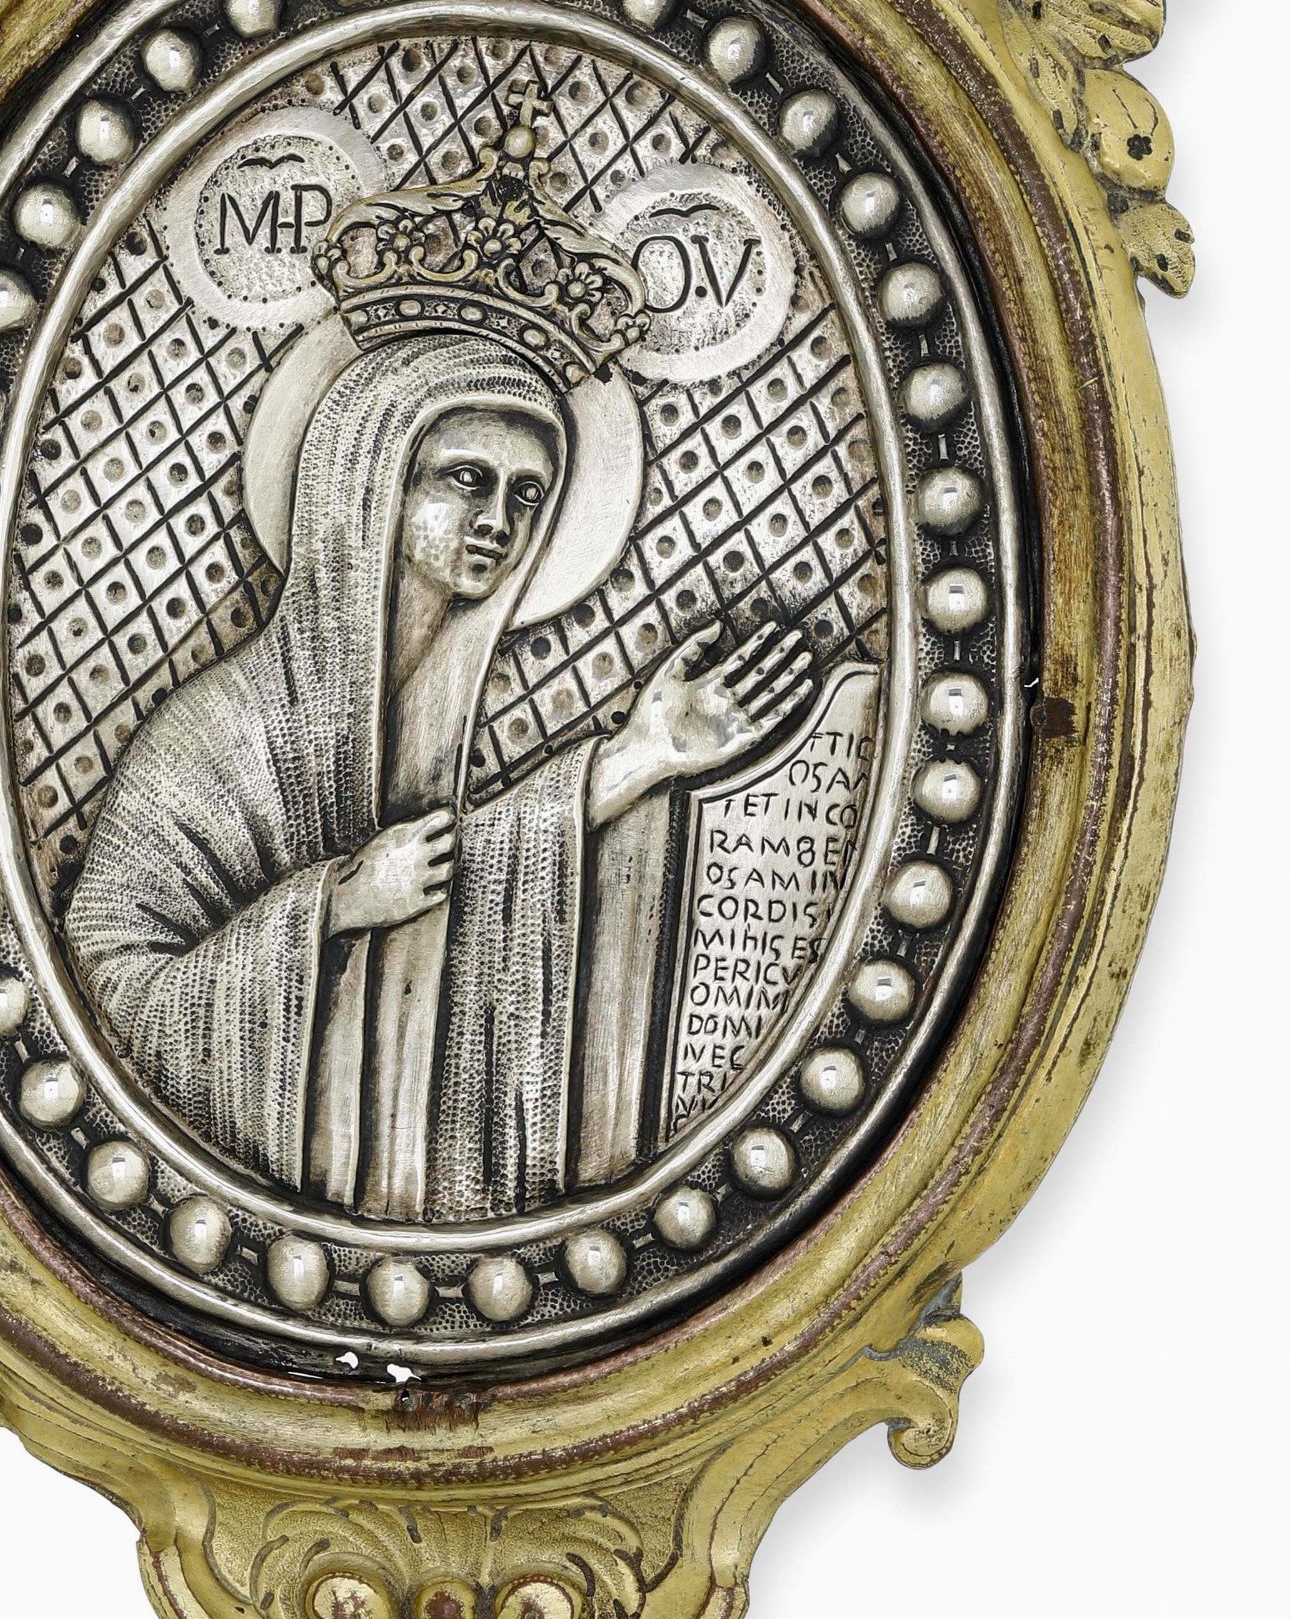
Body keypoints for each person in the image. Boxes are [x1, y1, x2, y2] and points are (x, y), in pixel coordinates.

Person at [66, 329, 810, 1222]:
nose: (500, 519)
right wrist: (334, 904)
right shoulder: (215, 732)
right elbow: (116, 986)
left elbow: (455, 877)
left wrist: (644, 756)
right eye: (467, 478)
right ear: (372, 479)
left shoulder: (451, 718)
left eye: (526, 493)